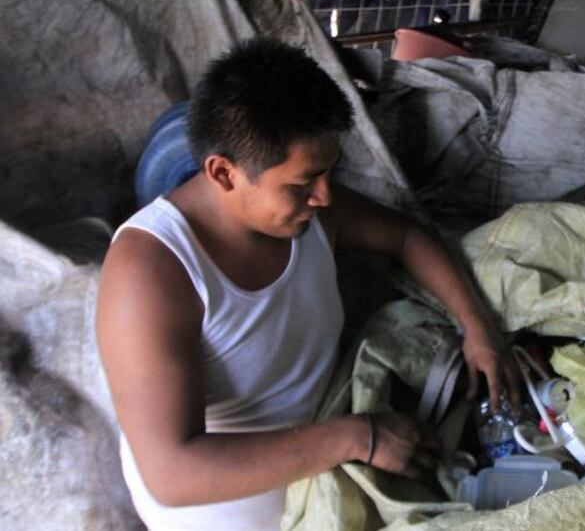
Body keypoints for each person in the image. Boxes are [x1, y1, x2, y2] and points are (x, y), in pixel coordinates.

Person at [96, 38, 520, 531]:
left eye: (329, 173)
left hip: (331, 456)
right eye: (302, 184)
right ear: (224, 173)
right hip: (227, 511)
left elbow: (406, 237)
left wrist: (477, 326)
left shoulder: (309, 210)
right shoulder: (152, 270)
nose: (324, 196)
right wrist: (358, 438)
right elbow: (172, 473)